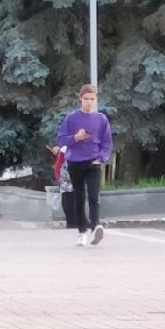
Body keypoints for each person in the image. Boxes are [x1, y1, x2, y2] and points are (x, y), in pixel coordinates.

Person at [57, 83, 113, 246]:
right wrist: (76, 138)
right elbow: (61, 140)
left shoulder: (101, 119)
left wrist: (101, 158)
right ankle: (82, 231)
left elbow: (107, 142)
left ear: (96, 100)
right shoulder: (71, 118)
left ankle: (96, 226)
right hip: (75, 162)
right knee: (79, 198)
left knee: (94, 196)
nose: (89, 102)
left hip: (93, 163)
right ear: (80, 99)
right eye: (86, 99)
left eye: (92, 99)